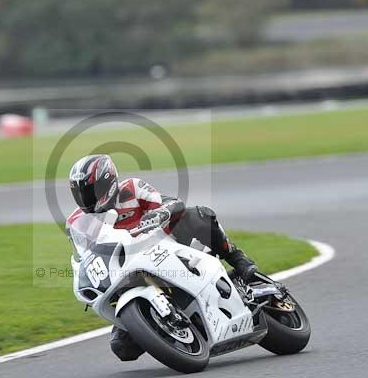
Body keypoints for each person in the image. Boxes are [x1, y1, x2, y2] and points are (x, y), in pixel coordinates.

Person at [65, 153, 261, 362]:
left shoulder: (132, 187)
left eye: (89, 190)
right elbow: (86, 254)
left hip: (167, 245)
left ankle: (238, 259)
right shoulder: (77, 221)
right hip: (128, 268)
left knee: (197, 214)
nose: (86, 197)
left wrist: (159, 214)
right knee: (122, 347)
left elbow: (173, 204)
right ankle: (168, 329)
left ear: (108, 182)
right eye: (81, 192)